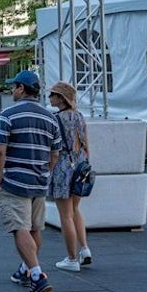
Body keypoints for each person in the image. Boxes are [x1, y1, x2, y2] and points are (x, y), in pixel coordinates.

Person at [0, 70, 61, 292]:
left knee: (19, 228)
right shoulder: (51, 117)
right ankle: (25, 270)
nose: (12, 90)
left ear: (22, 89)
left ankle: (36, 276)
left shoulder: (8, 115)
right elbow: (55, 153)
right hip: (39, 181)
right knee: (35, 228)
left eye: (14, 86)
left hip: (15, 181)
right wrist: (45, 172)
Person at [48, 81, 92, 272]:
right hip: (80, 164)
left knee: (65, 215)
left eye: (52, 94)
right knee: (75, 209)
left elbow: (54, 149)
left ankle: (72, 258)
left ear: (60, 98)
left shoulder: (55, 118)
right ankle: (84, 249)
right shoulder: (80, 116)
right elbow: (86, 145)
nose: (49, 97)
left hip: (63, 165)